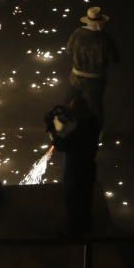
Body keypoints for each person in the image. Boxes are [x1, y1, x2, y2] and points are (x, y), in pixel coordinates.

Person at [46, 98, 103, 237]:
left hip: (76, 170)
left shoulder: (81, 131)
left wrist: (50, 128)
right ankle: (85, 226)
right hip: (88, 168)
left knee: (73, 200)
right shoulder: (93, 122)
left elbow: (60, 145)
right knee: (84, 200)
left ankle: (73, 232)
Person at [65, 7, 120, 127]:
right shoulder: (105, 38)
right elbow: (115, 59)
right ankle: (97, 132)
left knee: (68, 101)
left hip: (77, 77)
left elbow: (68, 50)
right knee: (96, 107)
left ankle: (62, 126)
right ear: (101, 22)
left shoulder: (77, 33)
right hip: (96, 80)